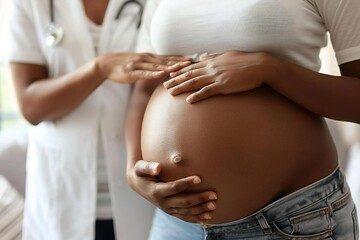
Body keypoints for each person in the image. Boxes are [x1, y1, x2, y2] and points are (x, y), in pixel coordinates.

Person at [125, 0, 360, 239]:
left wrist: (268, 68)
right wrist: (133, 169)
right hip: (176, 223)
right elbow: (144, 87)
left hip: (289, 218)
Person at [7, 0, 196, 239]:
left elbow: (148, 88)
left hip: (136, 183)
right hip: (63, 190)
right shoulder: (30, 4)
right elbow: (30, 105)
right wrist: (100, 69)